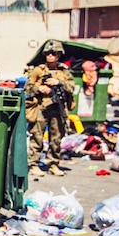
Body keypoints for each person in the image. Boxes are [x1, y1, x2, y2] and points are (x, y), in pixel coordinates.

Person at [25, 40, 74, 177]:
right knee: (37, 137)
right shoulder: (38, 70)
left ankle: (53, 164)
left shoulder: (63, 72)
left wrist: (59, 82)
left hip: (57, 109)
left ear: (58, 55)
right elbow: (27, 88)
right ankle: (33, 164)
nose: (50, 56)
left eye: (53, 54)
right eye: (48, 53)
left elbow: (72, 87)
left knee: (56, 138)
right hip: (41, 108)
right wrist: (39, 88)